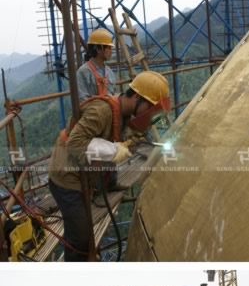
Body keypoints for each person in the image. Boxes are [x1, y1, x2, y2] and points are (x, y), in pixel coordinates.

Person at [48, 70, 169, 261]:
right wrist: (114, 150)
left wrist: (132, 138)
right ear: (137, 97)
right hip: (66, 177)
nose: (150, 114)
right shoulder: (101, 111)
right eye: (150, 108)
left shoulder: (125, 114)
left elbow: (122, 134)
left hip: (86, 174)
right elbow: (75, 143)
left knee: (82, 230)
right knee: (80, 236)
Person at [77, 28, 116, 101]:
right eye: (109, 48)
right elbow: (83, 101)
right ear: (98, 49)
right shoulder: (83, 72)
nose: (111, 51)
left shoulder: (109, 72)